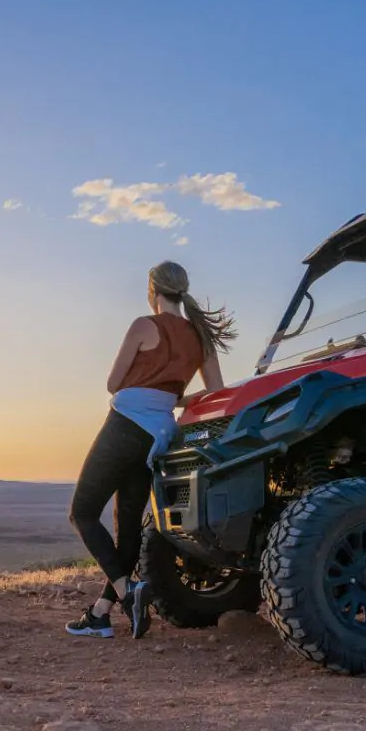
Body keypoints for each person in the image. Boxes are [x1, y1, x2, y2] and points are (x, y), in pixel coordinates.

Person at [65, 260, 234, 639]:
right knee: (127, 526)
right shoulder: (201, 338)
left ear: (153, 290)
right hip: (160, 434)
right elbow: (215, 392)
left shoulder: (145, 325)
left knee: (82, 512)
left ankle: (128, 593)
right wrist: (172, 398)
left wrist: (149, 388)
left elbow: (113, 383)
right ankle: (101, 614)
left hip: (125, 426)